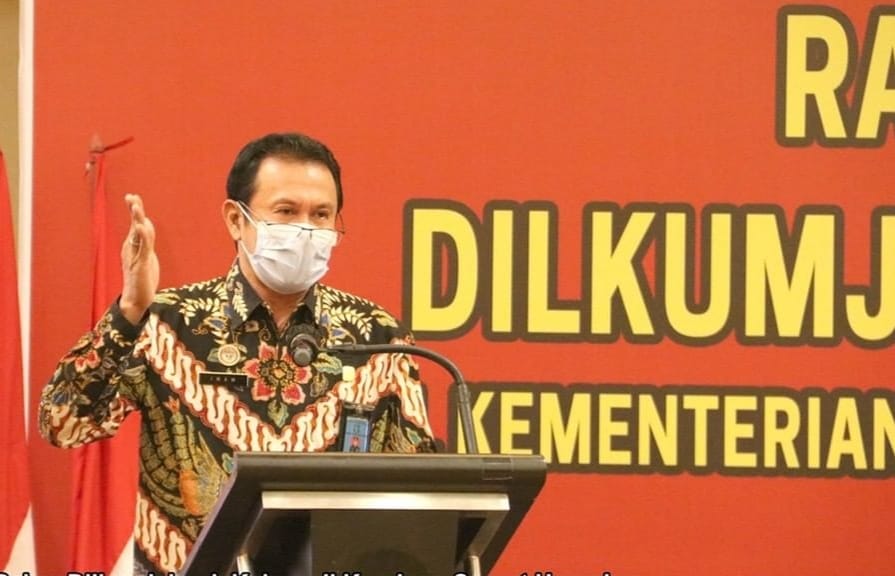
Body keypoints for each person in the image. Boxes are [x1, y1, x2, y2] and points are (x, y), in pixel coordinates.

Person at [38, 132, 437, 575]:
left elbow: (421, 493)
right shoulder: (168, 323)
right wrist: (129, 311)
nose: (306, 230)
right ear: (235, 219)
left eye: (321, 215)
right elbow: (63, 423)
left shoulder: (376, 335)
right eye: (286, 212)